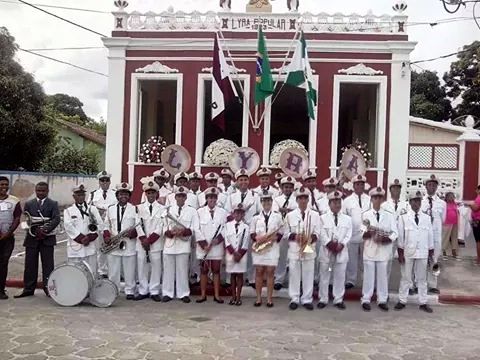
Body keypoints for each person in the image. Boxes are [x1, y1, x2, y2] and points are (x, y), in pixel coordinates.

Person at [15, 182, 60, 298]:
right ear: (35, 191)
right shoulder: (29, 204)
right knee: (30, 265)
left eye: (43, 191)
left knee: (48, 265)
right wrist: (35, 231)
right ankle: (28, 289)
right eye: (38, 191)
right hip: (32, 238)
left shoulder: (53, 204)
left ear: (47, 191)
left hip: (47, 238)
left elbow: (56, 219)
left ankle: (48, 289)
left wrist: (45, 230)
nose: (40, 193)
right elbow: (27, 219)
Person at [395, 191, 434, 313]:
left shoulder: (427, 218)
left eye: (418, 201)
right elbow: (401, 236)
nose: (416, 203)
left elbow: (430, 235)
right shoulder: (403, 217)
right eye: (414, 201)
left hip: (422, 251)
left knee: (422, 278)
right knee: (406, 277)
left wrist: (431, 252)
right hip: (408, 251)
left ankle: (423, 302)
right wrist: (400, 253)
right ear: (410, 202)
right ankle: (402, 300)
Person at [360, 187, 398, 312]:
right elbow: (362, 234)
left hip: (383, 250)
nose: (377, 200)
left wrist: (386, 239)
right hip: (370, 249)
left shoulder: (389, 215)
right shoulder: (365, 215)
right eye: (375, 198)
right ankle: (366, 299)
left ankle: (382, 299)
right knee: (368, 276)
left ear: (382, 199)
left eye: (379, 198)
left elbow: (395, 233)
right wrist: (370, 233)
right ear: (371, 199)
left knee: (383, 276)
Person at [162, 186, 201, 303]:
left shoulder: (192, 211)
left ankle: (183, 293)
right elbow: (163, 226)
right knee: (168, 270)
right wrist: (170, 232)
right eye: (178, 196)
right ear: (175, 197)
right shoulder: (168, 210)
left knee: (183, 270)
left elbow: (194, 228)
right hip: (169, 244)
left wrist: (183, 232)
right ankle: (167, 293)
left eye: (183, 196)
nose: (180, 198)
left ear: (186, 197)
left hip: (183, 244)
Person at [285, 187, 321, 310]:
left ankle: (307, 299)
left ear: (308, 199)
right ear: (297, 200)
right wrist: (295, 236)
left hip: (309, 247)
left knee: (308, 273)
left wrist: (310, 238)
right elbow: (286, 233)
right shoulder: (290, 215)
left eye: (305, 198)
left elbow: (318, 232)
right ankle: (294, 298)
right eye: (300, 198)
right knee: (294, 274)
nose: (303, 201)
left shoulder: (315, 215)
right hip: (295, 248)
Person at [103, 183, 140, 300]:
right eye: (121, 194)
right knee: (113, 270)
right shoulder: (110, 209)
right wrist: (107, 236)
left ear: (129, 196)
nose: (123, 196)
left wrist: (133, 233)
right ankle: (113, 290)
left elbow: (139, 226)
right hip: (114, 243)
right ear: (117, 196)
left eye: (126, 194)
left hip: (128, 243)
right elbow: (105, 225)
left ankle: (130, 291)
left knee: (129, 269)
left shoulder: (135, 209)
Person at [318, 190, 352, 310]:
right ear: (329, 203)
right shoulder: (322, 218)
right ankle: (323, 298)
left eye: (339, 202)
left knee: (340, 276)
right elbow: (321, 233)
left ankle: (338, 299)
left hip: (341, 252)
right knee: (325, 275)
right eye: (334, 202)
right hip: (327, 252)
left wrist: (342, 244)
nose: (337, 204)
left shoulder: (347, 219)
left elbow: (349, 234)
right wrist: (330, 244)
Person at [226, 170, 260, 286]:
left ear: (249, 181)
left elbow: (259, 213)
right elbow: (227, 213)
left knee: (250, 253)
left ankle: (251, 279)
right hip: (236, 228)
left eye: (245, 179)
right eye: (241, 180)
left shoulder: (255, 196)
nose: (243, 182)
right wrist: (237, 219)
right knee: (234, 251)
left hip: (250, 228)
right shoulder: (231, 197)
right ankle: (231, 279)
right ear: (237, 181)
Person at [250, 191, 284, 307]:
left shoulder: (278, 216)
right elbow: (251, 233)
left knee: (270, 272)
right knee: (259, 272)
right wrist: (257, 238)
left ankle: (269, 299)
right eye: (264, 201)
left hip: (272, 248)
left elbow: (281, 232)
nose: (266, 203)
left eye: (269, 201)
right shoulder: (255, 218)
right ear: (261, 202)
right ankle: (258, 298)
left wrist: (274, 238)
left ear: (271, 202)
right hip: (259, 248)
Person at [196, 187, 228, 303]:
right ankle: (203, 295)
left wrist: (217, 240)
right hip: (203, 247)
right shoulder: (199, 212)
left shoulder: (223, 212)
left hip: (216, 247)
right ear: (206, 199)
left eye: (214, 198)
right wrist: (204, 244)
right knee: (203, 271)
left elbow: (225, 228)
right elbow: (196, 229)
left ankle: (217, 295)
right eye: (210, 198)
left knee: (216, 270)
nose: (212, 200)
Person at [63, 184, 103, 275]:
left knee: (91, 272)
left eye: (82, 194)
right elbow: (68, 227)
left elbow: (100, 224)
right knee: (75, 273)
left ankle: (91, 289)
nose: (81, 197)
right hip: (75, 247)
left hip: (90, 245)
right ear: (74, 196)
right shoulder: (68, 211)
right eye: (78, 195)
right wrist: (81, 238)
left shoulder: (92, 209)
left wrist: (89, 237)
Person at [136, 181, 164, 302]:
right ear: (145, 194)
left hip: (155, 243)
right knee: (142, 266)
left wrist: (150, 240)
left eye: (153, 193)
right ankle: (143, 290)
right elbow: (137, 224)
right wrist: (143, 239)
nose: (151, 195)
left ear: (156, 194)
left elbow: (161, 226)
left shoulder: (162, 208)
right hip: (142, 243)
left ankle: (154, 290)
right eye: (149, 193)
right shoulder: (139, 207)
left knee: (156, 267)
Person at [342, 174, 371, 289]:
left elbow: (371, 216)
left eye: (361, 184)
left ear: (364, 186)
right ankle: (351, 280)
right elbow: (344, 218)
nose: (359, 186)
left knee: (366, 259)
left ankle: (366, 279)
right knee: (351, 259)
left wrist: (367, 230)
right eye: (357, 184)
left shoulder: (369, 199)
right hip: (352, 235)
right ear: (353, 186)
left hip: (366, 235)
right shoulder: (347, 201)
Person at [89, 171, 117, 278]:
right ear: (99, 182)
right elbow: (89, 209)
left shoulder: (115, 193)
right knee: (99, 249)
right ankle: (102, 271)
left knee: (113, 248)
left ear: (110, 182)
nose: (104, 182)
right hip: (98, 225)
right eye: (102, 180)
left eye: (107, 180)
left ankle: (113, 270)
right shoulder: (93, 194)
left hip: (111, 225)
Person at [421, 174, 446, 294]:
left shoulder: (442, 203)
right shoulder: (420, 201)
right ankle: (419, 283)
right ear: (425, 186)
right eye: (429, 185)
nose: (431, 187)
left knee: (434, 260)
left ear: (437, 187)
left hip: (436, 236)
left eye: (434, 185)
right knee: (421, 260)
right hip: (423, 236)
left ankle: (433, 284)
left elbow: (443, 219)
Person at [273, 176, 298, 290]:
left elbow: (297, 213)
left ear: (293, 188)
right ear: (282, 188)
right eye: (285, 187)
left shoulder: (297, 199)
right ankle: (279, 279)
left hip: (293, 230)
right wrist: (288, 211)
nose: (288, 189)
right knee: (281, 257)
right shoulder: (277, 200)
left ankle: (294, 280)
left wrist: (285, 210)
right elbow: (275, 214)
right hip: (281, 230)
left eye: (290, 187)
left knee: (294, 257)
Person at [381, 179, 408, 282]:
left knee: (404, 261)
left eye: (398, 188)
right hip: (389, 236)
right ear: (390, 190)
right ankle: (384, 285)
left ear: (400, 190)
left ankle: (408, 285)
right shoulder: (384, 205)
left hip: (402, 236)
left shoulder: (406, 205)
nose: (396, 190)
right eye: (394, 188)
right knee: (387, 261)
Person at [0, 176, 22, 300]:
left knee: (3, 263)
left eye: (6, 185)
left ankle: (1, 290)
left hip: (8, 238)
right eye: (1, 184)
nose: (4, 187)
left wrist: (8, 233)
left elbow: (17, 218)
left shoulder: (14, 201)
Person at [224, 204, 249, 306]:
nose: (238, 214)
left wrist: (240, 254)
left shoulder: (246, 227)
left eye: (241, 213)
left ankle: (238, 297)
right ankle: (232, 296)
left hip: (241, 255)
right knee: (232, 275)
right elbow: (226, 240)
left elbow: (246, 241)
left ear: (243, 214)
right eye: (236, 212)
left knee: (239, 275)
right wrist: (233, 253)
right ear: (233, 214)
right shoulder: (227, 225)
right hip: (231, 254)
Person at [442, 192, 460, 261]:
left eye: (453, 196)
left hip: (455, 222)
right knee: (445, 237)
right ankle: (444, 252)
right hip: (447, 223)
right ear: (446, 197)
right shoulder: (444, 204)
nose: (452, 198)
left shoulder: (455, 203)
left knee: (454, 237)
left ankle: (454, 251)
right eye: (450, 196)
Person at [468, 185, 480, 265]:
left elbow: (475, 208)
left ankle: (479, 259)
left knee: (478, 241)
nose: (476, 190)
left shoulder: (479, 198)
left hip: (478, 221)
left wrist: (470, 205)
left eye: (477, 189)